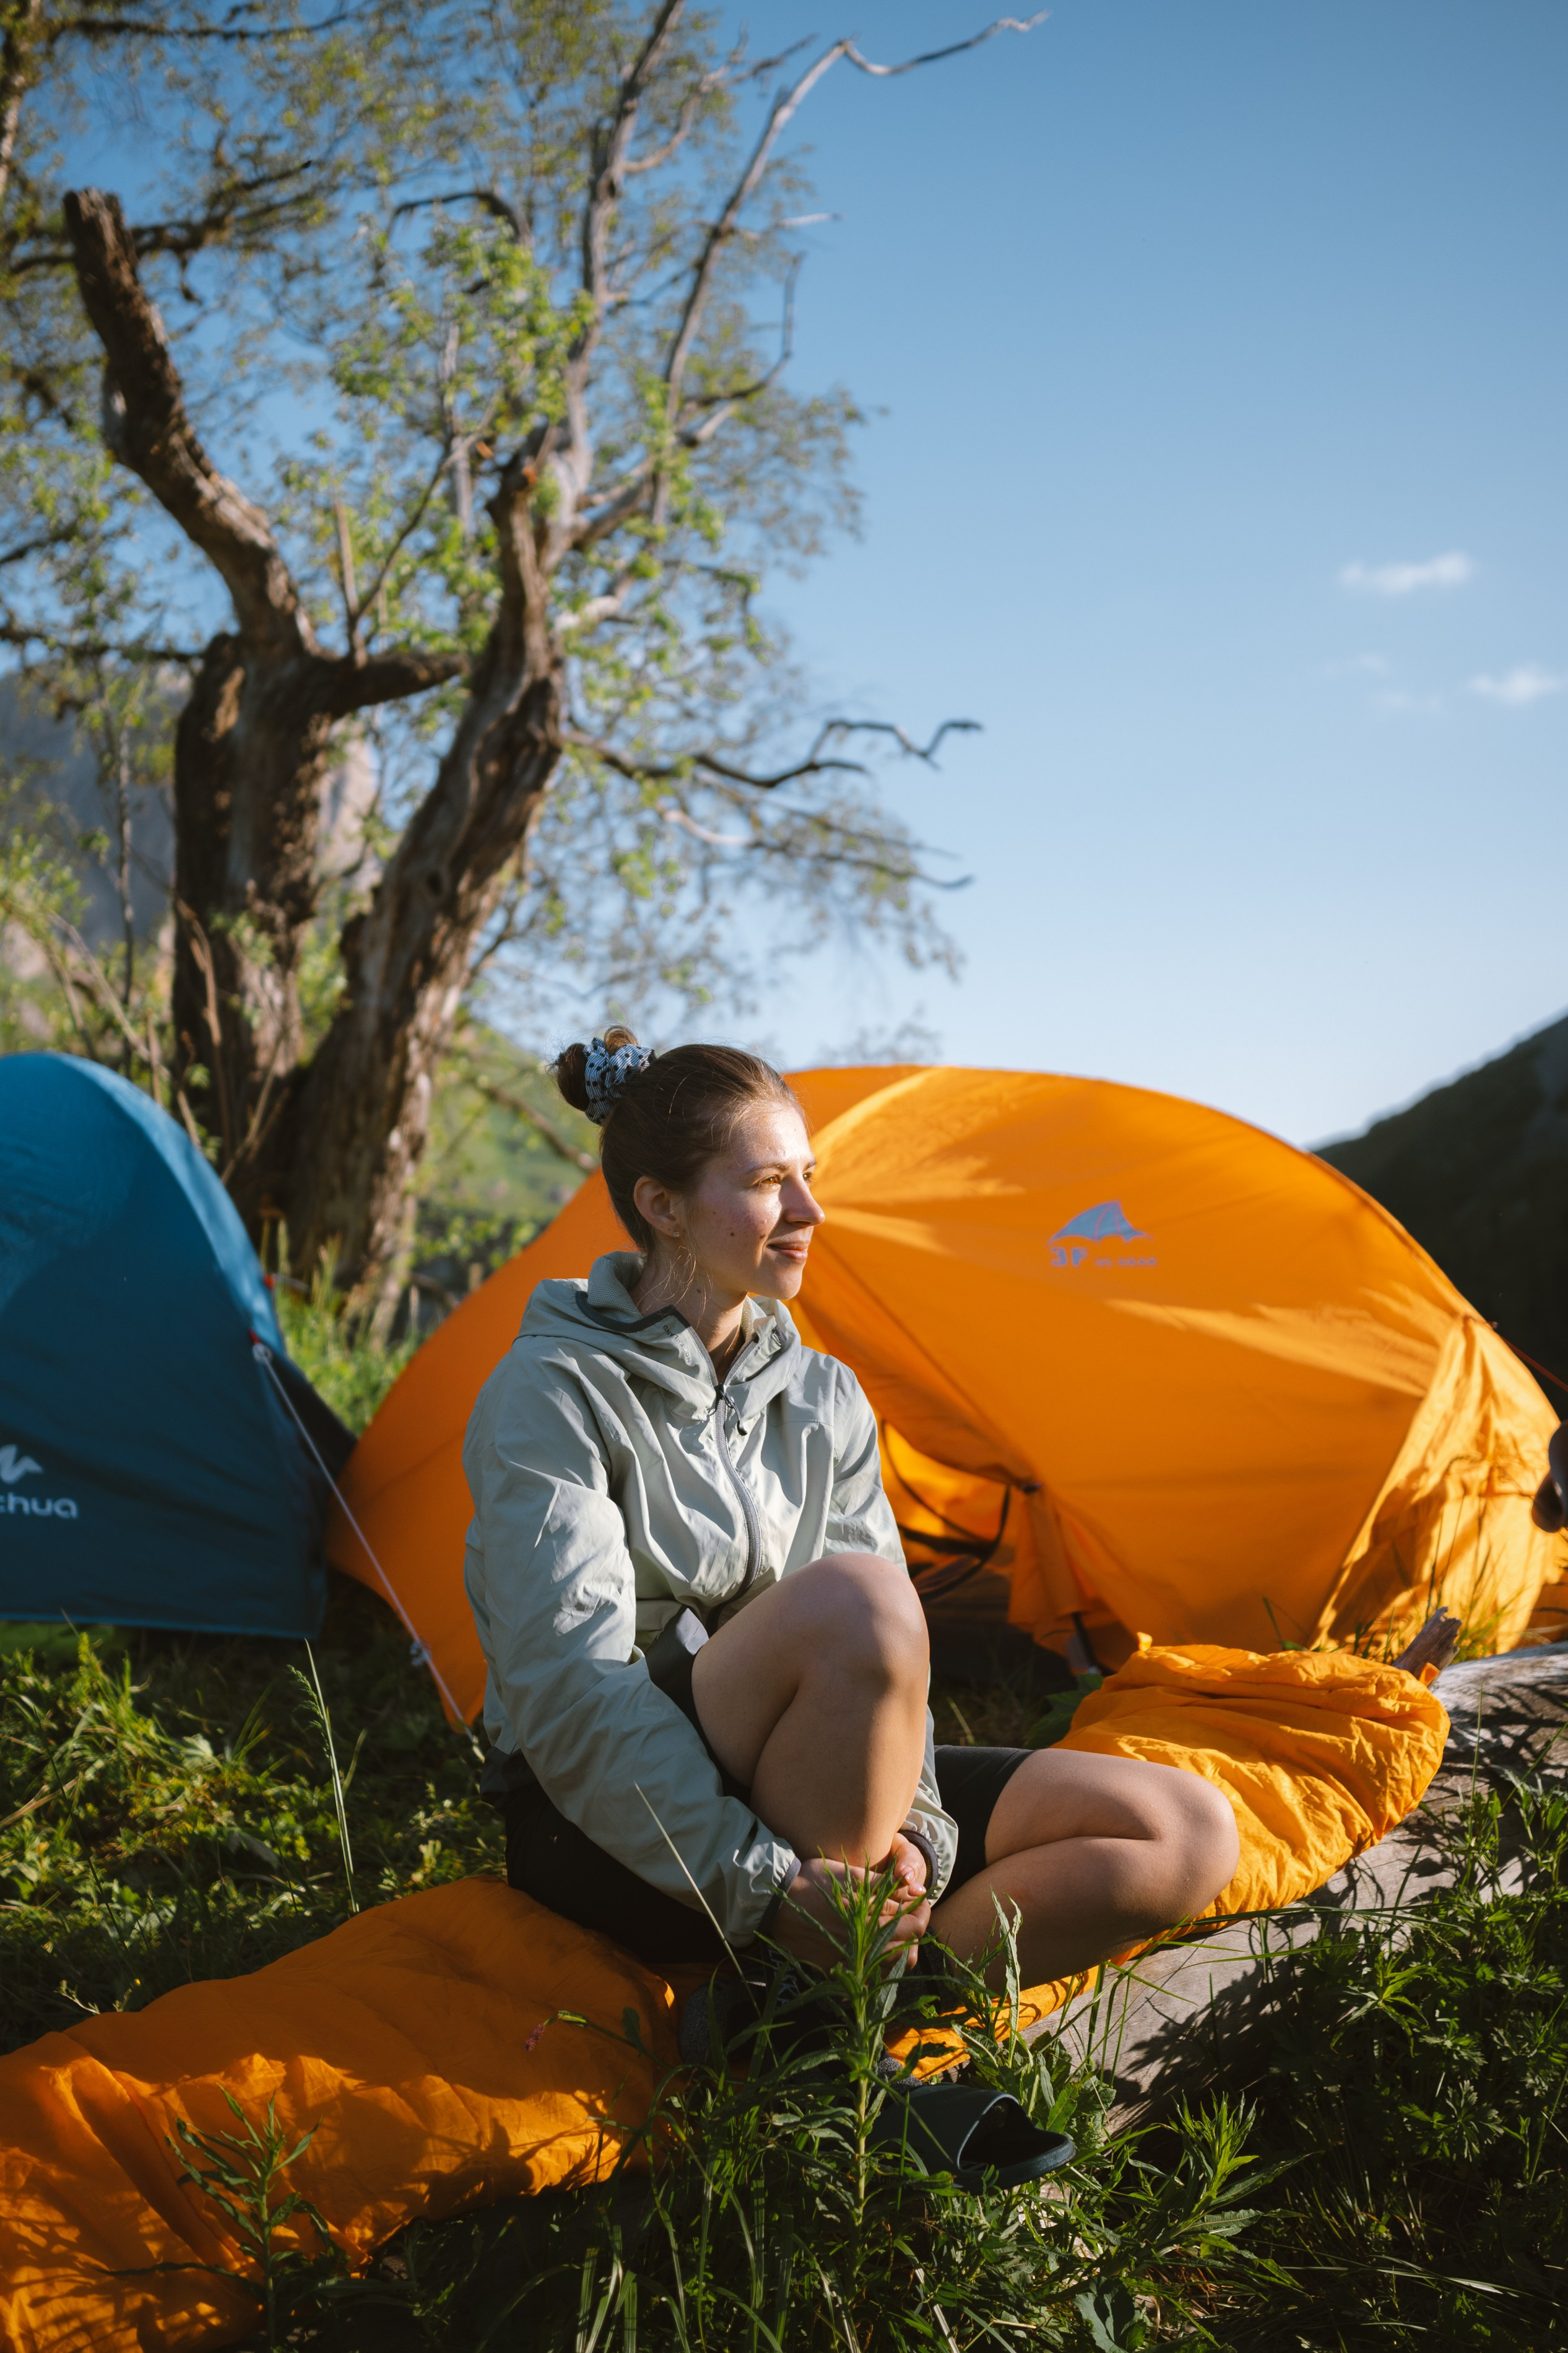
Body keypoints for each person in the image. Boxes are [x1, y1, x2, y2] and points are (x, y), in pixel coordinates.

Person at [463, 1030, 1239, 1993]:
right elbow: (571, 1696)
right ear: (661, 1206)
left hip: (813, 1771)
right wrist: (769, 1887)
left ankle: (823, 2014)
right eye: (766, 1184)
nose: (808, 1209)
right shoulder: (552, 1390)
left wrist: (915, 1827)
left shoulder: (821, 1393)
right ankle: (832, 1995)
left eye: (807, 1175)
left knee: (1181, 1832)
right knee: (856, 1603)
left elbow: (892, 1667)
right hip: (607, 1826)